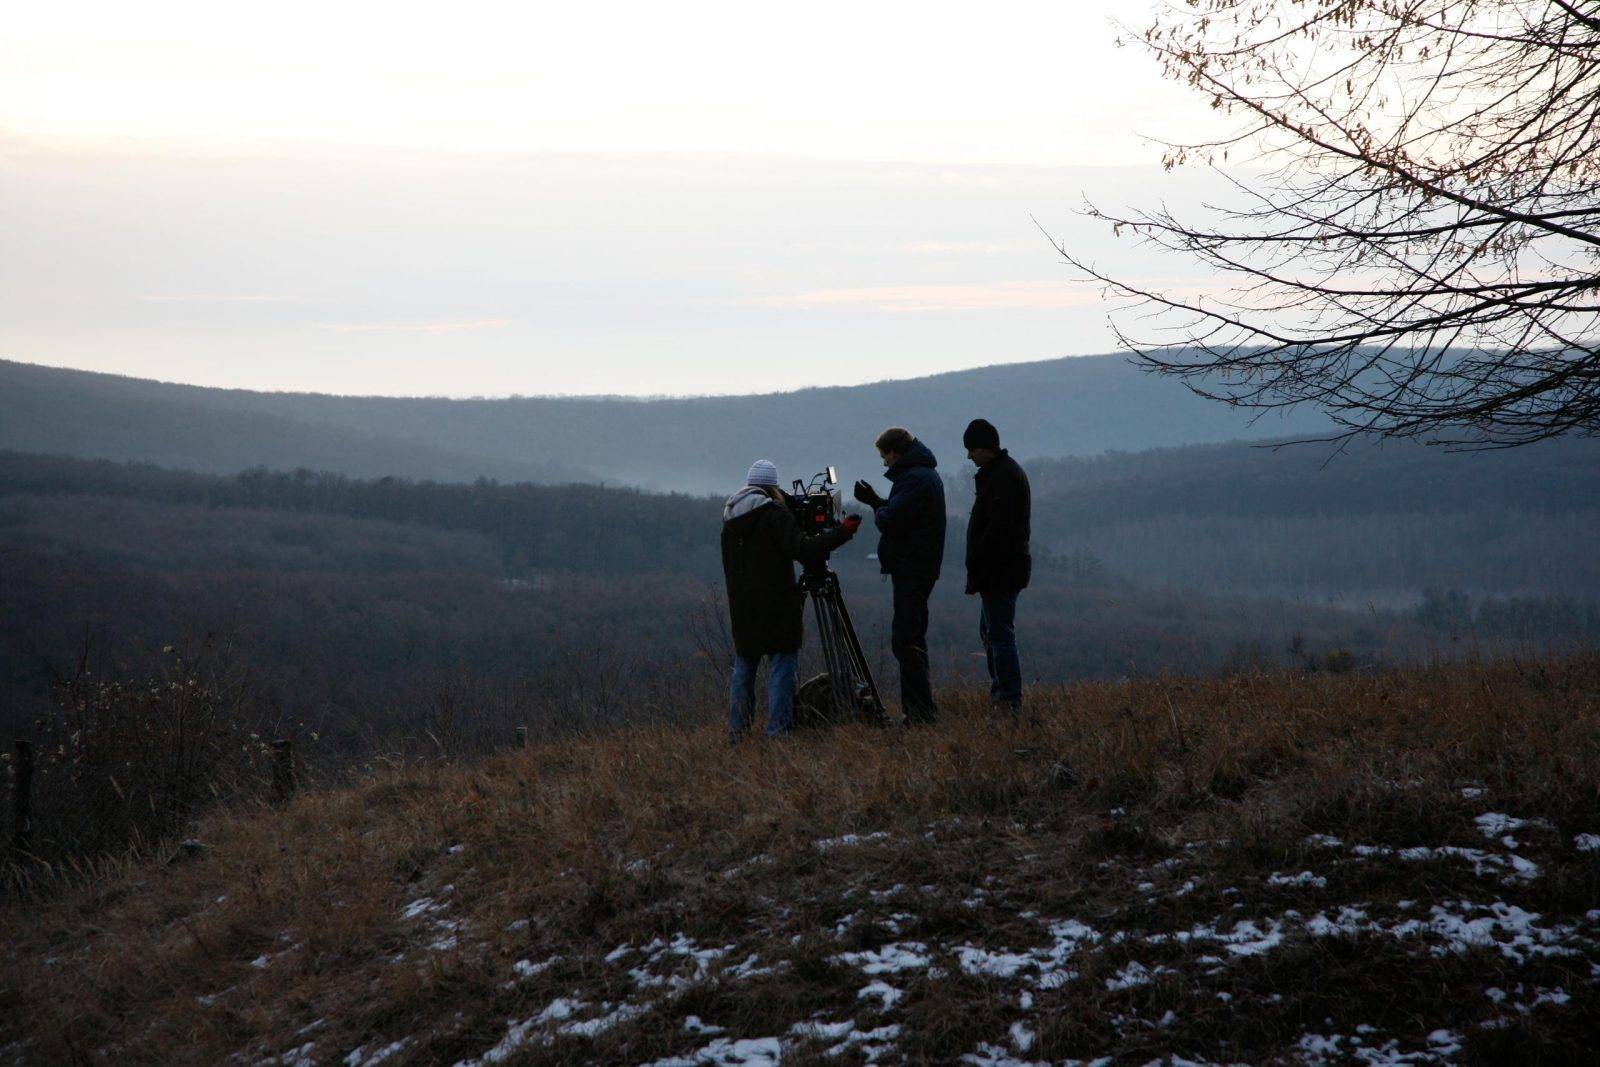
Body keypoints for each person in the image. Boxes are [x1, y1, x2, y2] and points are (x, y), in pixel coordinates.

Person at [721, 459, 861, 742]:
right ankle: (778, 732)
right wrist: (842, 532)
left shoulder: (730, 519)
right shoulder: (773, 514)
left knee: (745, 667)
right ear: (773, 487)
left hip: (743, 606)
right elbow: (804, 549)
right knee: (782, 666)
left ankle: (737, 733)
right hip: (777, 603)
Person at [852, 427, 946, 724]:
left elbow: (892, 520)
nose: (884, 464)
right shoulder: (920, 475)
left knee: (906, 640)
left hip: (912, 568)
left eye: (885, 456)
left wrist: (878, 510)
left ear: (895, 452)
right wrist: (877, 502)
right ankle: (920, 709)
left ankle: (918, 713)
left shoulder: (914, 478)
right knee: (911, 637)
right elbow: (901, 514)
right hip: (918, 567)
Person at [962, 418, 1031, 710]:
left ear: (986, 449)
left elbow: (997, 530)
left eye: (972, 450)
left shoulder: (1001, 477)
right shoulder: (1002, 472)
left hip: (999, 571)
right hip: (1000, 569)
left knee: (999, 635)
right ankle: (1002, 695)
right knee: (993, 633)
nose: (969, 456)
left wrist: (978, 560)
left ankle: (1008, 699)